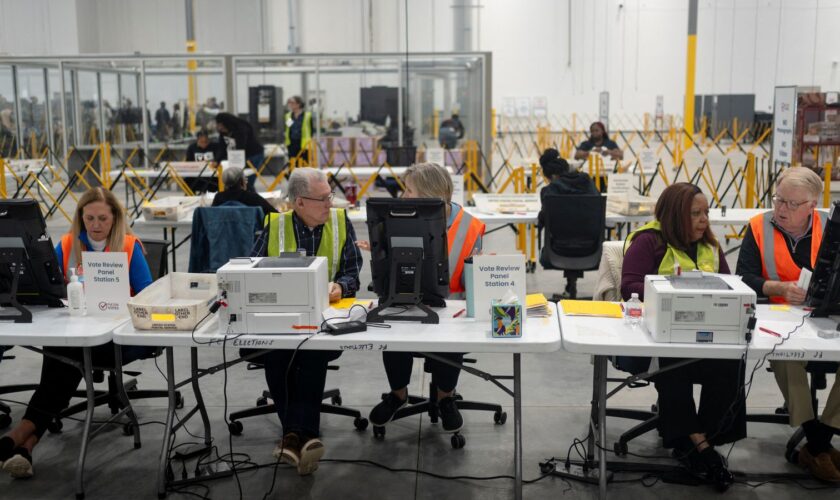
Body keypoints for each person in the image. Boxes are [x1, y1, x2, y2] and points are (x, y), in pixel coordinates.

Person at [0, 187, 154, 479]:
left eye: (102, 219)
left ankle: (19, 436)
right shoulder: (68, 244)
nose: (95, 225)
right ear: (81, 218)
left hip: (115, 338)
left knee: (64, 361)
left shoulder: (131, 247)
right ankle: (24, 447)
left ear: (115, 219)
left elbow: (148, 298)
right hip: (75, 330)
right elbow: (49, 287)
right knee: (65, 357)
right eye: (89, 218)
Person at [621, 182, 745, 491]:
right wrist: (671, 292)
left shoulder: (710, 247)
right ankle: (701, 448)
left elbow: (730, 286)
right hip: (660, 339)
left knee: (732, 362)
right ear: (676, 216)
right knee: (673, 363)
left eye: (706, 212)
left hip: (707, 337)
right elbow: (629, 286)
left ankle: (700, 441)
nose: (705, 220)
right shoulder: (649, 242)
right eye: (696, 214)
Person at [250, 168, 362, 475]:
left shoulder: (340, 223)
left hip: (325, 320)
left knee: (312, 353)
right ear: (299, 202)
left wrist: (342, 286)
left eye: (330, 196)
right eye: (322, 198)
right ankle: (306, 437)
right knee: (278, 354)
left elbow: (352, 271)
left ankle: (292, 437)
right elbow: (251, 269)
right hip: (281, 319)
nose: (330, 204)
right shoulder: (275, 225)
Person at [362, 163, 486, 435]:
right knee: (392, 327)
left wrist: (481, 269)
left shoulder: (470, 226)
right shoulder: (396, 217)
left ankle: (445, 397)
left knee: (451, 335)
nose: (404, 196)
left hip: (451, 306)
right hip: (404, 298)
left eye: (409, 190)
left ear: (429, 194)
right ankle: (398, 395)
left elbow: (471, 283)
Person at [735, 167, 840, 481]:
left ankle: (818, 443)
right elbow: (742, 278)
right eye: (779, 199)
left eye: (792, 204)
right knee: (786, 357)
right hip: (778, 318)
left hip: (827, 314)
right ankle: (819, 443)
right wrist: (776, 288)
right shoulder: (757, 227)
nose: (782, 208)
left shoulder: (830, 228)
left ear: (812, 205)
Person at [537, 148, 599, 298]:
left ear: (552, 176)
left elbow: (543, 219)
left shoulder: (550, 191)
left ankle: (570, 288)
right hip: (592, 250)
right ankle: (571, 287)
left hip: (558, 250)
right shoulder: (588, 183)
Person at [215, 112, 264, 192]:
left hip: (253, 155)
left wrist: (233, 160)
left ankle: (250, 198)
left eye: (219, 124)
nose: (218, 127)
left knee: (247, 180)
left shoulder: (241, 127)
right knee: (238, 181)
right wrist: (217, 160)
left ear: (225, 123)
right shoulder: (223, 132)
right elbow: (221, 148)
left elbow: (241, 147)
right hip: (237, 157)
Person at [212, 166, 277, 215]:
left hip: (222, 232)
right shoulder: (252, 197)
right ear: (242, 181)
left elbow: (211, 216)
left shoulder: (219, 198)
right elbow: (274, 214)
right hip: (249, 232)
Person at [285, 96, 313, 165]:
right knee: (293, 164)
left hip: (303, 144)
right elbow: (288, 128)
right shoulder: (288, 116)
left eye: (292, 103)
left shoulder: (307, 115)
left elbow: (311, 130)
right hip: (291, 144)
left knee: (304, 164)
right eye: (289, 103)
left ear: (298, 104)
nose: (290, 105)